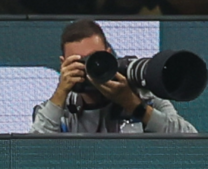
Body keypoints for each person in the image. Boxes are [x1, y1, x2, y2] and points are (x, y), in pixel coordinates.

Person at [30, 19, 197, 134]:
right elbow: (31, 153)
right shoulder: (59, 109)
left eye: (95, 59)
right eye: (79, 61)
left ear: (109, 55)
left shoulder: (142, 96)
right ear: (64, 64)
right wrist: (61, 93)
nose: (89, 68)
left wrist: (134, 106)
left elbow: (189, 139)